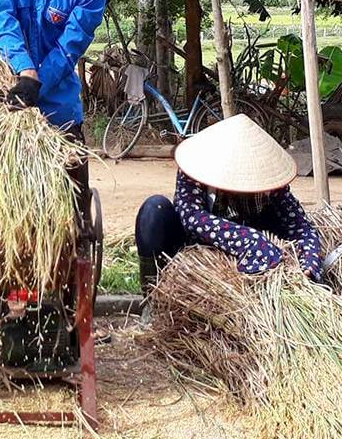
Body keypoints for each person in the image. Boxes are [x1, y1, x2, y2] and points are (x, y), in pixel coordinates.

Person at [0, 0, 106, 348]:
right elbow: (1, 15)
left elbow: (72, 45)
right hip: (7, 108)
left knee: (67, 214)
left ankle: (57, 302)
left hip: (59, 114)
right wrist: (22, 73)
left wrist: (39, 80)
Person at [135, 114, 324, 301]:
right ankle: (151, 300)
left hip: (256, 233)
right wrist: (250, 242)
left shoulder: (270, 181)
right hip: (199, 242)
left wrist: (309, 260)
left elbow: (300, 226)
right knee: (154, 210)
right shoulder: (195, 171)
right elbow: (192, 218)